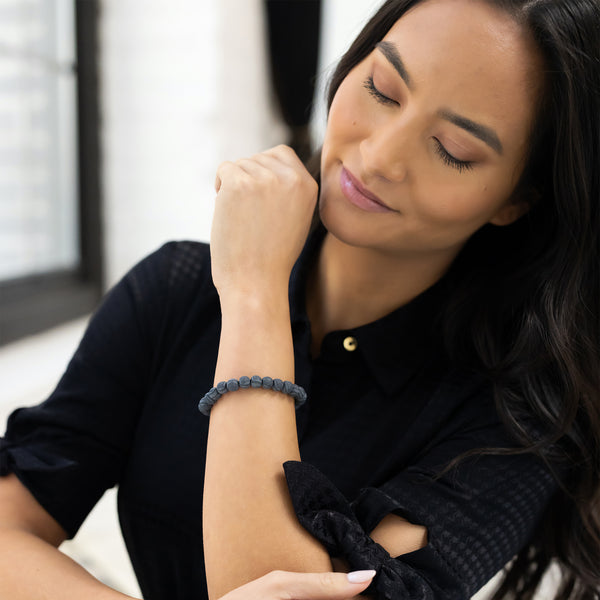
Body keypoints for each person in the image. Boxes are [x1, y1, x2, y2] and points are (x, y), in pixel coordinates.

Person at [0, 0, 598, 598]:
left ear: (515, 200)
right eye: (382, 89)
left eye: (452, 148)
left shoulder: (518, 420)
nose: (379, 157)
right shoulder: (176, 290)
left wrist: (255, 296)